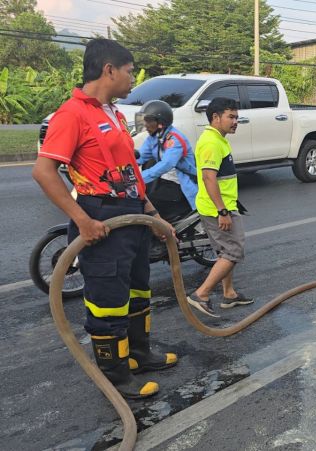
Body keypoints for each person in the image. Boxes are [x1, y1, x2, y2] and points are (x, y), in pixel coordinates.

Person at [32, 38, 176, 399]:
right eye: (129, 72)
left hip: (133, 215)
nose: (132, 80)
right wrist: (82, 220)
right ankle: (116, 374)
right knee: (108, 299)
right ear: (108, 70)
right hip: (102, 219)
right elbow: (44, 171)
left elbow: (128, 171)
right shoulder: (72, 114)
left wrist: (152, 214)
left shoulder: (113, 112)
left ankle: (139, 355)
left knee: (138, 289)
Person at [186, 97, 254, 317]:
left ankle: (229, 294)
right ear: (215, 117)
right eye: (231, 117)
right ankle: (201, 294)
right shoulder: (211, 142)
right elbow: (208, 178)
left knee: (226, 251)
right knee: (234, 251)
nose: (235, 121)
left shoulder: (219, 139)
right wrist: (222, 211)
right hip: (218, 209)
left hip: (225, 204)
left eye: (237, 117)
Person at [136, 100, 198, 221]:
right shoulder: (154, 137)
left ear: (161, 123)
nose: (145, 124)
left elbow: (166, 164)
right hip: (164, 181)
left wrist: (139, 178)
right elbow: (141, 156)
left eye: (149, 121)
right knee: (137, 198)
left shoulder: (175, 139)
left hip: (180, 185)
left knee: (148, 206)